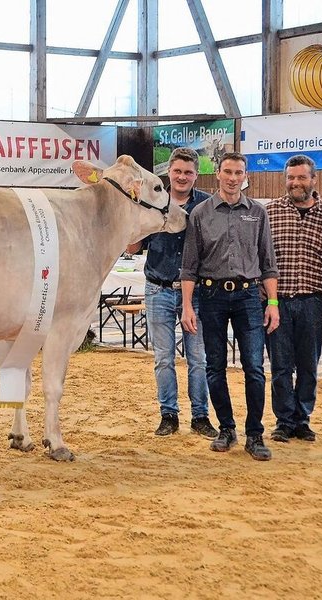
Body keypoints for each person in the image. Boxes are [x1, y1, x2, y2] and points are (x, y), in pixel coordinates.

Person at [180, 151, 280, 461]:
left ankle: (255, 434)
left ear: (245, 176)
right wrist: (187, 306)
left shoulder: (258, 213)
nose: (233, 178)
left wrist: (272, 302)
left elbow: (268, 262)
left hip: (249, 297)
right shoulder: (200, 213)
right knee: (214, 366)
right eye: (228, 171)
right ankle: (226, 428)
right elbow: (189, 266)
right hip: (211, 298)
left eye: (239, 172)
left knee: (254, 367)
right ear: (218, 174)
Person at [126, 147, 217, 438]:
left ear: (196, 174)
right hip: (158, 288)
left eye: (188, 172)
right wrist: (132, 222)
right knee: (163, 358)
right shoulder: (153, 201)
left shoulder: (207, 205)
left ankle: (200, 416)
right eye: (177, 171)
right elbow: (132, 247)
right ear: (169, 173)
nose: (182, 177)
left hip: (198, 293)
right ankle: (169, 415)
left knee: (199, 358)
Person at [265, 155, 322, 443]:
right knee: (280, 365)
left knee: (309, 364)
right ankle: (284, 420)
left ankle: (303, 418)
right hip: (278, 301)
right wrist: (268, 299)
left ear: (313, 179)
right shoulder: (270, 212)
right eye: (291, 177)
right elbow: (263, 257)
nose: (295, 182)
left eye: (301, 177)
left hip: (312, 300)